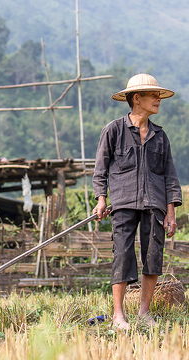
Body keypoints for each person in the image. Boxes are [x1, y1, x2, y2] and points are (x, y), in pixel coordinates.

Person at [92, 73, 182, 330]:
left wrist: (171, 212)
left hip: (155, 204)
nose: (158, 100)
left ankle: (144, 313)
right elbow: (101, 169)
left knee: (153, 255)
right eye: (154, 95)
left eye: (159, 96)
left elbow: (169, 175)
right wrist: (101, 199)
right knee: (122, 254)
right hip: (122, 203)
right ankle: (118, 315)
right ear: (136, 98)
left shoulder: (160, 136)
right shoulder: (113, 130)